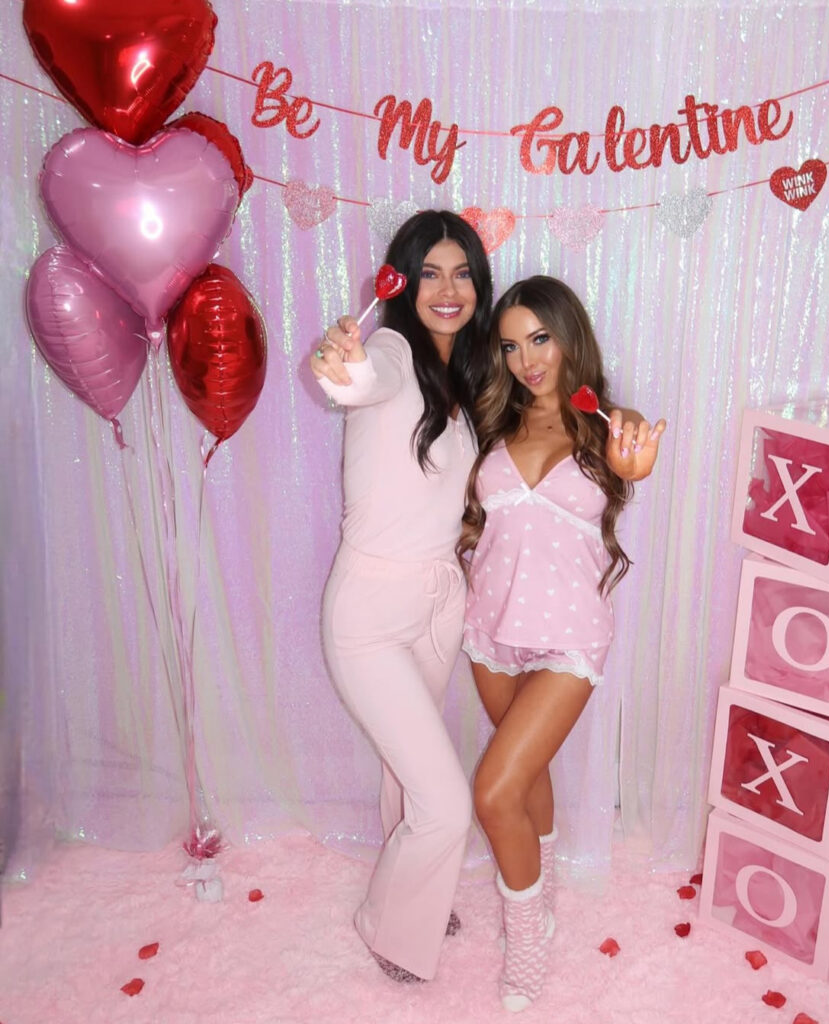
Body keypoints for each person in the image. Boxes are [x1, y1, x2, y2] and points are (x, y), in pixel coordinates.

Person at [456, 275, 665, 1012]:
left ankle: (528, 949)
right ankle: (536, 892)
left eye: (538, 339)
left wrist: (632, 463)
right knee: (525, 779)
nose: (524, 360)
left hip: (568, 639)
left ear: (568, 334)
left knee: (494, 790)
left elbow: (633, 462)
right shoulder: (491, 423)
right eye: (510, 346)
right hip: (489, 630)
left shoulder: (607, 423)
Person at [308, 210, 493, 983]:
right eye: (428, 273)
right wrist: (335, 361)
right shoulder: (387, 350)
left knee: (408, 769)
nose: (447, 290)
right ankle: (387, 924)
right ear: (401, 281)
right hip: (370, 610)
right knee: (446, 800)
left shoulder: (463, 374)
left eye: (461, 274)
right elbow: (352, 379)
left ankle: (409, 889)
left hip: (435, 599)